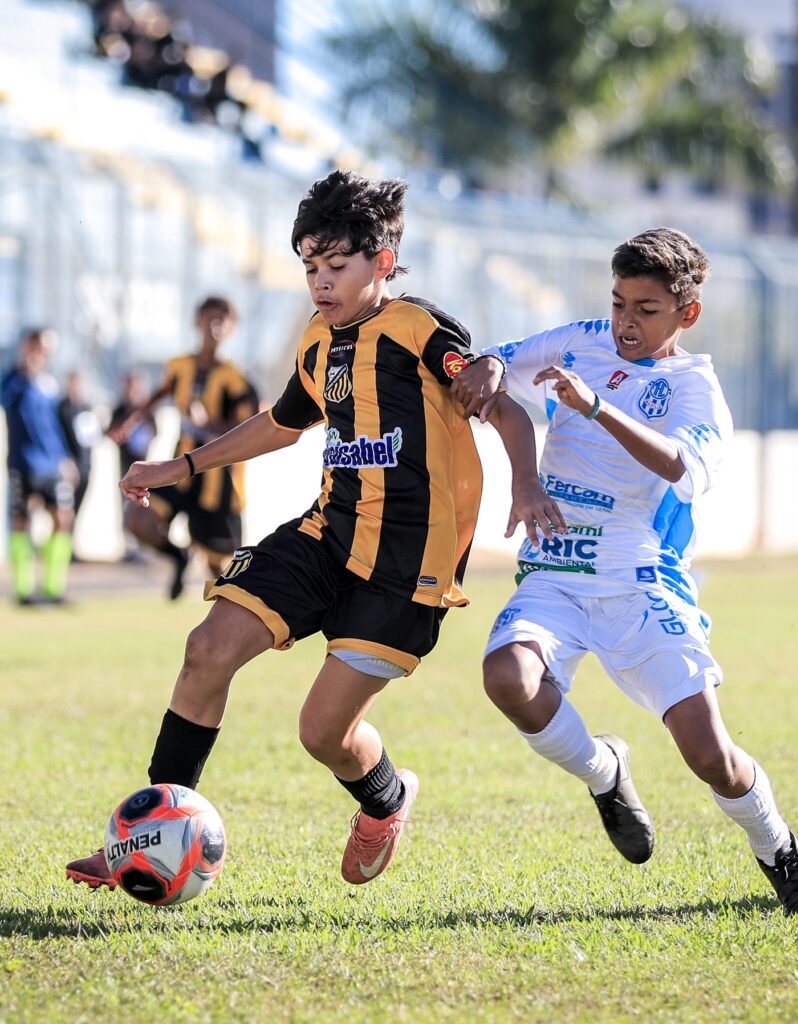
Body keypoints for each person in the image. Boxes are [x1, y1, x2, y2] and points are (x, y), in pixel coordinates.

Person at [66, 169, 552, 891]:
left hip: (406, 567)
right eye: (309, 266)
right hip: (326, 535)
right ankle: (147, 837)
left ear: (382, 262)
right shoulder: (318, 339)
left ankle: (386, 798)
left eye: (336, 266)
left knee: (322, 732)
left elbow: (499, 403)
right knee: (206, 650)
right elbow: (283, 423)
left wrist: (526, 480)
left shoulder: (419, 330)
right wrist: (180, 465)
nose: (320, 282)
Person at [450, 227, 798, 917]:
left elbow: (682, 467)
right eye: (618, 302)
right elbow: (494, 367)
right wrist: (503, 411)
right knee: (506, 677)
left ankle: (781, 851)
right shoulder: (581, 339)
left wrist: (595, 407)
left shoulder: (694, 387)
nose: (625, 321)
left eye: (645, 309)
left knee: (710, 756)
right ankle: (604, 770)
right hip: (556, 570)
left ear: (687, 313)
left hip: (639, 579)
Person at [109, 296, 258, 599]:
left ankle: (231, 619)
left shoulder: (237, 380)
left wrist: (209, 424)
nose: (214, 326)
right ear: (197, 322)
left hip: (218, 483)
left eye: (222, 320)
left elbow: (254, 428)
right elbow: (160, 393)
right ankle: (179, 558)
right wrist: (131, 421)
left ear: (232, 328)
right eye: (209, 318)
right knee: (137, 520)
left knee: (221, 571)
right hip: (181, 470)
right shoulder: (180, 367)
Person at [1, 328, 76, 605]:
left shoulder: (49, 383)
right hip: (23, 464)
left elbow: (52, 427)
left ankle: (53, 588)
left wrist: (65, 457)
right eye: (40, 347)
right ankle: (23, 590)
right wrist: (22, 373)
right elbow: (7, 400)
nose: (43, 354)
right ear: (28, 346)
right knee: (21, 520)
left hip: (52, 464)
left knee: (63, 518)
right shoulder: (13, 379)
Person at [108, 370, 157, 563]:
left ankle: (141, 547)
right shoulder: (120, 410)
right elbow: (111, 433)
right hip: (126, 468)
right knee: (127, 504)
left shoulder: (146, 410)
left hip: (145, 468)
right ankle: (129, 547)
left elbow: (154, 432)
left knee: (142, 506)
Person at [58, 370, 102, 526]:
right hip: (69, 466)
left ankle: (71, 538)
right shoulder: (62, 408)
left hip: (85, 467)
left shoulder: (86, 407)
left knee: (76, 510)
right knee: (64, 511)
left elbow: (91, 438)